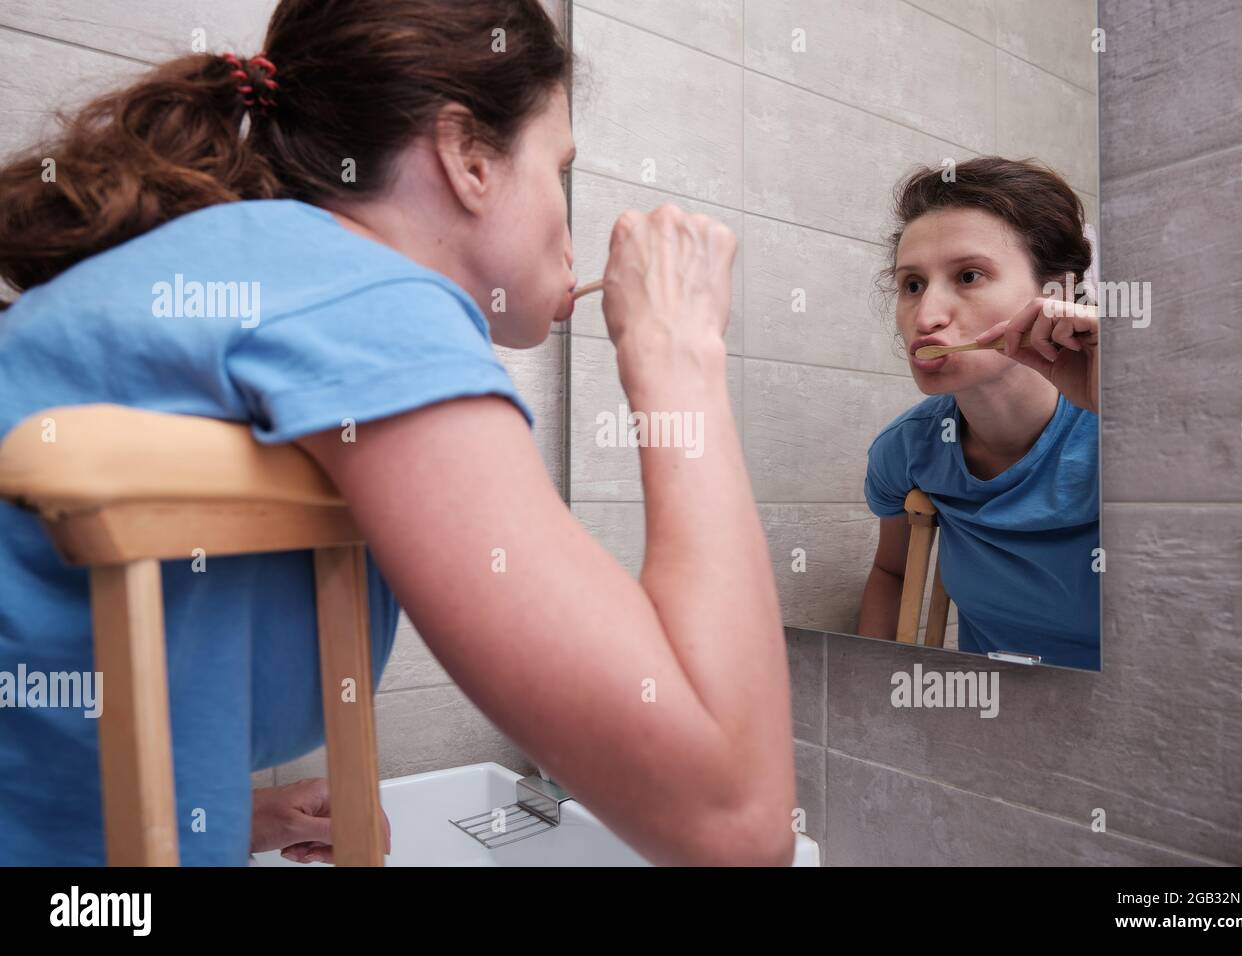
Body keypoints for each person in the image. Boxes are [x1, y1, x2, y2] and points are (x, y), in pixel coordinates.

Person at [0, 0, 794, 866]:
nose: (569, 229)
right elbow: (736, 824)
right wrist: (677, 350)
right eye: (559, 170)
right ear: (468, 158)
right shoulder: (366, 294)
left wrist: (236, 816)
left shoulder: (259, 266)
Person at [856, 158, 1101, 670]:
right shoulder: (907, 450)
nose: (926, 317)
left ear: (1056, 293)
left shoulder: (1124, 433)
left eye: (969, 276)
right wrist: (871, 680)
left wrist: (1122, 402)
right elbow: (892, 573)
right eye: (912, 285)